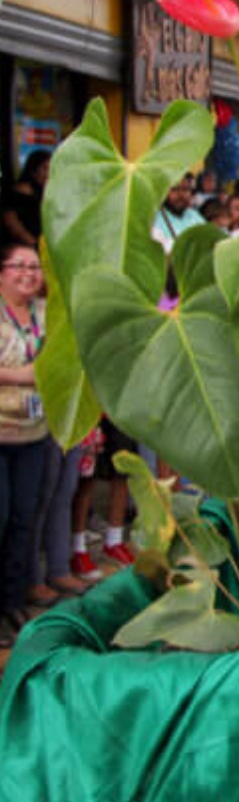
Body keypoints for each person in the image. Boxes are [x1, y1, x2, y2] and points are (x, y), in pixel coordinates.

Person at [0, 241, 52, 647]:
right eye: (19, 266)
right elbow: (44, 370)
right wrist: (31, 375)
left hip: (34, 433)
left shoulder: (44, 314)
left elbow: (59, 364)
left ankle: (13, 600)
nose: (28, 274)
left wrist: (23, 373)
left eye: (34, 267)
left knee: (23, 517)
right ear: (2, 272)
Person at [1, 151, 49, 248]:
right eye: (45, 168)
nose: (49, 173)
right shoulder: (19, 192)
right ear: (33, 170)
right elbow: (11, 222)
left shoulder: (43, 192)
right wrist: (34, 244)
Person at [151, 174, 203, 251]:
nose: (181, 194)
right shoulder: (154, 220)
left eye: (185, 189)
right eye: (174, 189)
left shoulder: (194, 215)